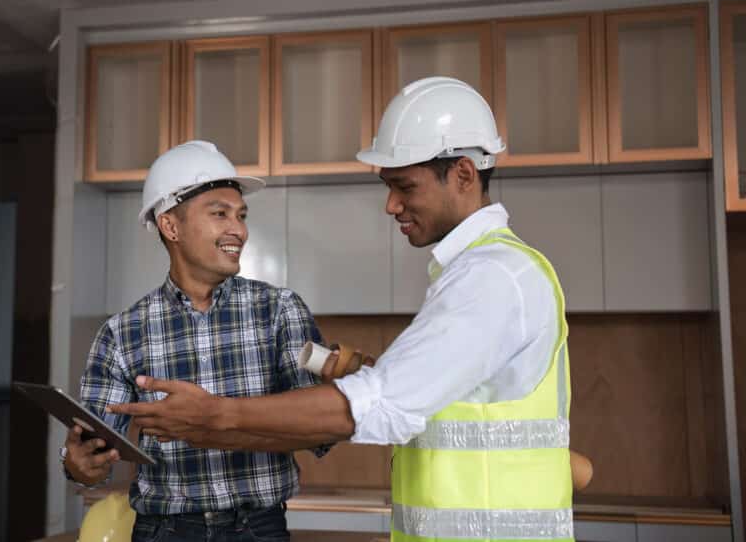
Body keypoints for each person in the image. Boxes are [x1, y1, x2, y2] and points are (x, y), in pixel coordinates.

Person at [112, 77, 575, 542]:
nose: (391, 205)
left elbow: (383, 404)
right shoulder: (474, 274)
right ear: (168, 226)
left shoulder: (490, 277)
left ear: (463, 174)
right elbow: (434, 401)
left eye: (404, 186)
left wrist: (216, 416)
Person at [61, 140, 333, 542]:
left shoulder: (280, 311)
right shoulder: (121, 333)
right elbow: (95, 452)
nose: (238, 229)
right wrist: (79, 464)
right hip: (162, 531)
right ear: (170, 226)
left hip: (258, 529)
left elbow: (321, 429)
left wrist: (216, 418)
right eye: (219, 214)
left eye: (240, 215)